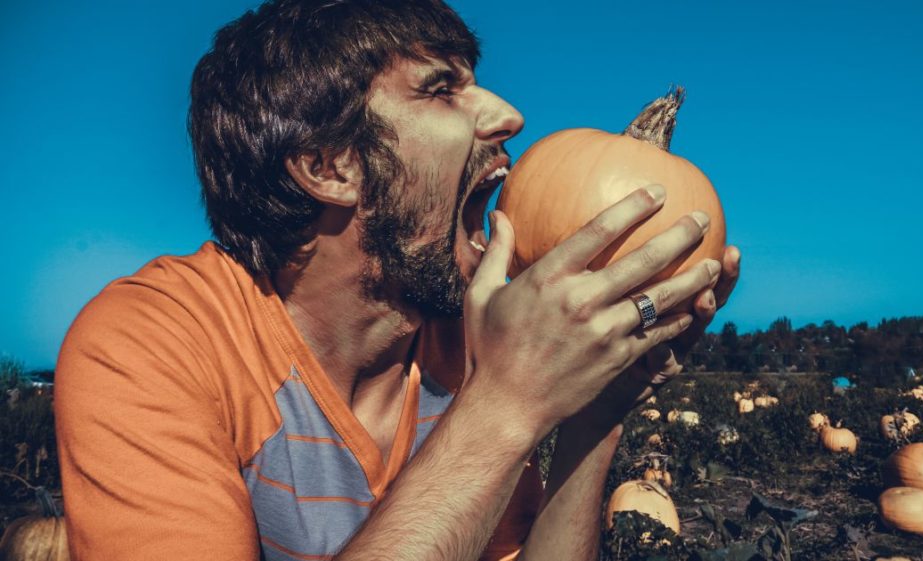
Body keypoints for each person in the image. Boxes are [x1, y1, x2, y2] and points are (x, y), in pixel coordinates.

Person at [53, 1, 741, 560]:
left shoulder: (468, 344)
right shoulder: (149, 345)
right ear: (330, 166)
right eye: (442, 89)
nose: (508, 115)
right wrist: (503, 407)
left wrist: (599, 406)